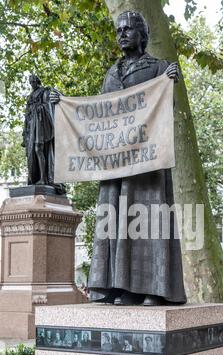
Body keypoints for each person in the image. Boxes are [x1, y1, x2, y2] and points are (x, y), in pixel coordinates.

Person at [50, 11, 186, 307]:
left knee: (148, 223)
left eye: (128, 29)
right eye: (119, 30)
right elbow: (96, 116)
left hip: (147, 165)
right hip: (115, 166)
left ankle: (154, 289)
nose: (122, 33)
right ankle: (117, 286)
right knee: (116, 222)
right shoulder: (112, 73)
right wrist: (61, 106)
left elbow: (165, 109)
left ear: (142, 35)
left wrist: (170, 84)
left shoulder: (159, 68)